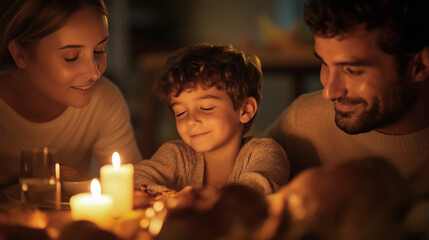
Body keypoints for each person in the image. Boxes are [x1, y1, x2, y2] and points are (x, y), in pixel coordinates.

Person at [266, 0, 429, 198]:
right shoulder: (303, 125)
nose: (329, 92)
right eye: (324, 63)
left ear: (420, 65)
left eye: (352, 70)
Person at [0, 0, 142, 188]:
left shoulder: (104, 100)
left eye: (99, 50)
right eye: (71, 57)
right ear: (20, 55)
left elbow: (137, 187)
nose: (94, 72)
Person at [134, 43, 290, 194]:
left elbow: (250, 195)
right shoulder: (176, 154)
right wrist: (175, 197)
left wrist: (189, 200)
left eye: (206, 108)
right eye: (180, 112)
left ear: (245, 110)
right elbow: (136, 180)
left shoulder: (264, 153)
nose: (191, 120)